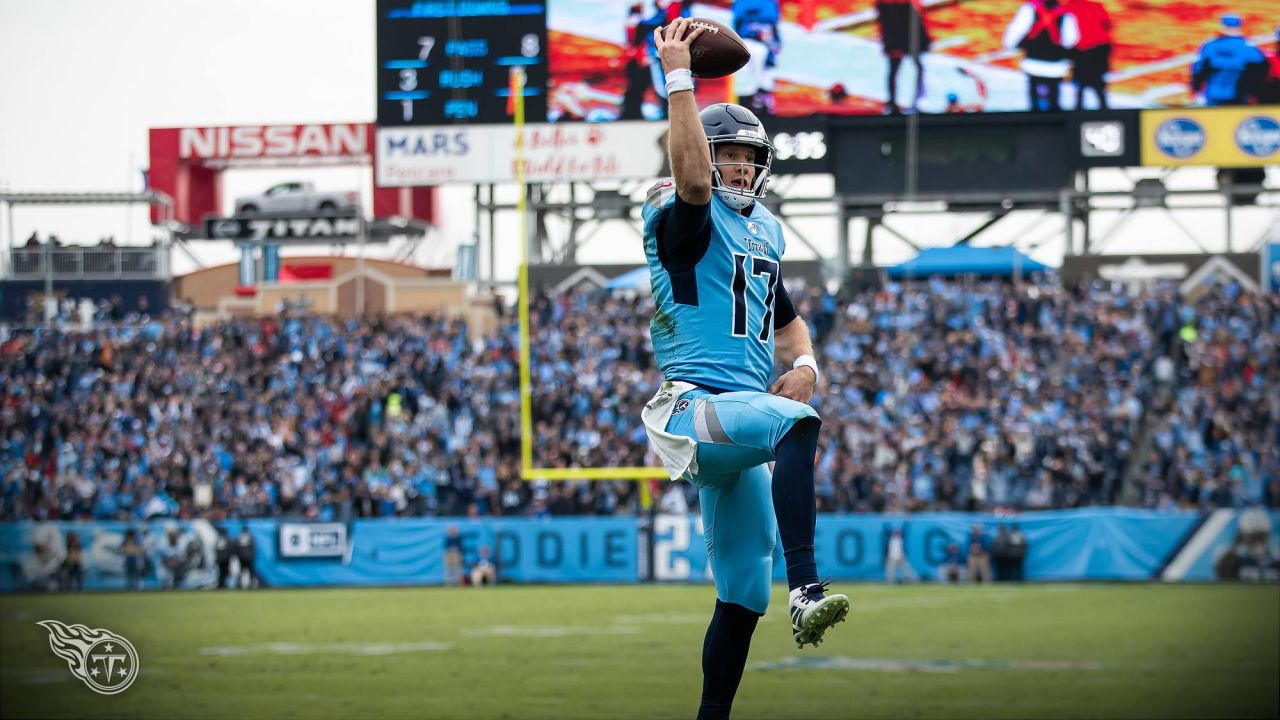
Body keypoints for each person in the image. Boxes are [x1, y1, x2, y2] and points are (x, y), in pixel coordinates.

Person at [643, 19, 849, 719]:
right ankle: (810, 591)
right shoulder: (687, 215)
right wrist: (679, 79)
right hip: (690, 407)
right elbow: (694, 181)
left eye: (745, 157)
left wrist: (809, 364)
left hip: (731, 426)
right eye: (723, 153)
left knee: (741, 593)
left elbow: (787, 319)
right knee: (796, 426)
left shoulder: (764, 231)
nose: (735, 167)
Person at [1003, 0, 1080, 112]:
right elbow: (1070, 40)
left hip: (1033, 62)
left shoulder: (1029, 9)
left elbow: (1016, 30)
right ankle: (1055, 120)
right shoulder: (1066, 14)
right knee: (1054, 97)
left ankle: (1035, 119)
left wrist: (1010, 45)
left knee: (1033, 96)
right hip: (1056, 65)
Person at [1191, 15, 1267, 106]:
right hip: (1240, 97)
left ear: (1222, 27)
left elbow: (1198, 70)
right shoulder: (1249, 49)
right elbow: (1261, 72)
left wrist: (1196, 90)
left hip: (1214, 96)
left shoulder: (1210, 46)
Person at [875, 0, 932, 114]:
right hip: (897, 33)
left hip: (902, 33)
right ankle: (895, 103)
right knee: (899, 69)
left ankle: (910, 102)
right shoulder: (889, 6)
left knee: (912, 68)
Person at [733, 0, 782, 115]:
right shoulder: (742, 3)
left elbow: (773, 26)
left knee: (759, 77)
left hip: (757, 44)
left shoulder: (769, 4)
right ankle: (749, 107)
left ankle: (757, 106)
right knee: (750, 77)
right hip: (749, 42)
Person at [1064, 0, 1113, 109]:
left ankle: (1078, 109)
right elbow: (1108, 25)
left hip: (1082, 50)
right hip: (1100, 48)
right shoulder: (1097, 6)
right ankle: (1104, 107)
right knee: (1098, 81)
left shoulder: (1068, 8)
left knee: (1081, 82)